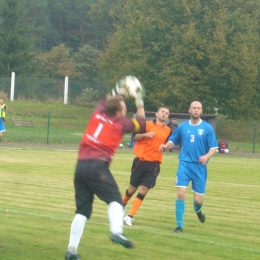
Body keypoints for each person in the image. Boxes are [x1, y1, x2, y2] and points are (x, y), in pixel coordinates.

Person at [65, 86, 146, 260]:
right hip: (97, 166)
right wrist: (139, 98)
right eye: (124, 109)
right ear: (117, 112)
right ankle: (117, 232)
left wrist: (118, 88)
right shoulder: (120, 123)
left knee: (83, 210)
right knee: (115, 200)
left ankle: (71, 250)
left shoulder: (97, 113)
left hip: (81, 167)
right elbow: (142, 123)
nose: (126, 111)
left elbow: (104, 100)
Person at [159, 101, 218, 233]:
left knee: (198, 200)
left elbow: (213, 148)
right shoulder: (183, 127)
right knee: (181, 193)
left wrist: (206, 157)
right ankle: (179, 225)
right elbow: (172, 142)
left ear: (201, 111)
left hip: (199, 167)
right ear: (189, 110)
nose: (196, 110)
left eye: (199, 108)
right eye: (194, 108)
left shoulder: (207, 128)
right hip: (184, 164)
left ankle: (198, 209)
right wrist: (165, 146)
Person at [123, 107, 171, 226]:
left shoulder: (168, 130)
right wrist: (146, 135)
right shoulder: (146, 124)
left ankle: (130, 216)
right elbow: (135, 137)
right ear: (156, 113)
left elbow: (168, 144)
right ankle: (122, 205)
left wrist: (164, 147)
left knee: (143, 190)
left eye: (166, 113)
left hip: (154, 164)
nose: (164, 114)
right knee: (131, 189)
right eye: (162, 112)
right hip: (140, 161)